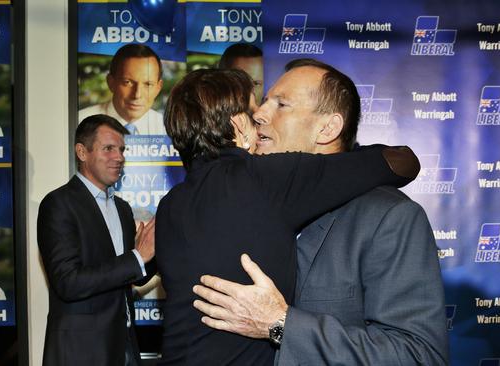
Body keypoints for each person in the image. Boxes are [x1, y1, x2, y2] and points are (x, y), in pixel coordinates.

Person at [192, 59, 449, 365]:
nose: (258, 114)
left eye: (281, 104)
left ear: (327, 128)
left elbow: (418, 356)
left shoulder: (389, 218)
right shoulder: (241, 206)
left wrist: (281, 325)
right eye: (262, 103)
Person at [37, 114, 157, 365]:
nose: (119, 157)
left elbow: (131, 273)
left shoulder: (122, 208)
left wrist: (157, 250)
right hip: (82, 352)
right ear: (82, 152)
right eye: (109, 148)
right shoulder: (58, 204)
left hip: (124, 345)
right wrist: (138, 257)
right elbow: (69, 282)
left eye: (122, 149)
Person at [78, 44, 165, 135]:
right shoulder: (79, 122)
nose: (137, 95)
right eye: (127, 82)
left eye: (148, 84)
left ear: (158, 88)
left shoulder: (167, 129)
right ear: (111, 82)